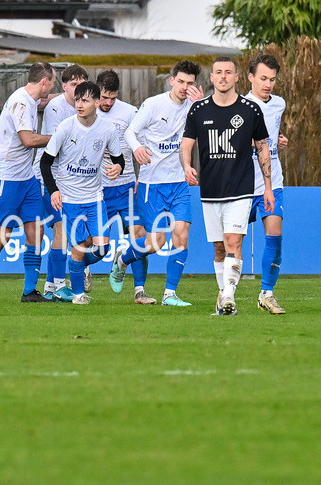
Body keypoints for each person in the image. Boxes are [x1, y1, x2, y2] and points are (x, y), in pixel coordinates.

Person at [181, 57, 274, 316]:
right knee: (219, 247)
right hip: (210, 189)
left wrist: (267, 186)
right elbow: (187, 142)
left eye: (228, 72)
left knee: (233, 240)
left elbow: (263, 146)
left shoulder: (250, 109)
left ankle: (229, 296)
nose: (223, 77)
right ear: (212, 78)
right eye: (218, 72)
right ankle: (224, 299)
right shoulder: (198, 110)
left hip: (242, 188)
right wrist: (186, 166)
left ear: (236, 78)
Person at [109, 60, 204, 306]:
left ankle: (169, 294)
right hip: (153, 185)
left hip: (179, 184)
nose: (185, 87)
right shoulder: (153, 105)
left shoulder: (196, 107)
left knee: (182, 236)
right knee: (155, 243)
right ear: (172, 81)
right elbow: (130, 132)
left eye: (190, 83)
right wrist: (138, 147)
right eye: (181, 81)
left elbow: (203, 133)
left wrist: (202, 106)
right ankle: (123, 258)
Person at [0, 61, 57, 303]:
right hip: (6, 178)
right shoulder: (20, 102)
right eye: (51, 82)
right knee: (3, 236)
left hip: (27, 178)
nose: (51, 87)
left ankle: (30, 291)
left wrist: (67, 95)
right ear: (44, 81)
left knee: (36, 231)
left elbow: (44, 100)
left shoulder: (30, 99)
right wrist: (59, 138)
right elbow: (28, 140)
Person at [39, 81, 125, 304]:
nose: (79, 104)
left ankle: (76, 268)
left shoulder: (107, 129)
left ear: (97, 103)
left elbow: (119, 158)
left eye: (85, 100)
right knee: (78, 249)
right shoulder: (66, 127)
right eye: (77, 99)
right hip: (69, 199)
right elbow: (45, 162)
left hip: (95, 198)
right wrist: (54, 191)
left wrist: (119, 167)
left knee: (103, 248)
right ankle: (78, 294)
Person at [95, 70, 155, 304]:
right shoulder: (87, 112)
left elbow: (145, 145)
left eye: (112, 97)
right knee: (96, 244)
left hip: (128, 186)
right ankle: (85, 270)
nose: (108, 102)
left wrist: (142, 176)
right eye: (104, 97)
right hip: (99, 190)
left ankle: (140, 291)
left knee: (139, 235)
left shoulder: (130, 113)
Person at [34, 64, 86, 301]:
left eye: (81, 84)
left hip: (71, 179)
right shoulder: (56, 107)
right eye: (73, 84)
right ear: (64, 86)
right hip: (48, 175)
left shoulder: (85, 108)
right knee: (61, 229)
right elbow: (60, 144)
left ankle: (50, 286)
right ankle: (58, 284)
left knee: (64, 231)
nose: (77, 89)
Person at [245, 53, 288, 314]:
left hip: (273, 183)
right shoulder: (239, 105)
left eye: (272, 79)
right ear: (251, 77)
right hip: (241, 185)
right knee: (229, 244)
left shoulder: (279, 103)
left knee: (275, 236)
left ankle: (267, 294)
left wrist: (279, 140)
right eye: (263, 78)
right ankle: (225, 290)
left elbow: (272, 133)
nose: (267, 84)